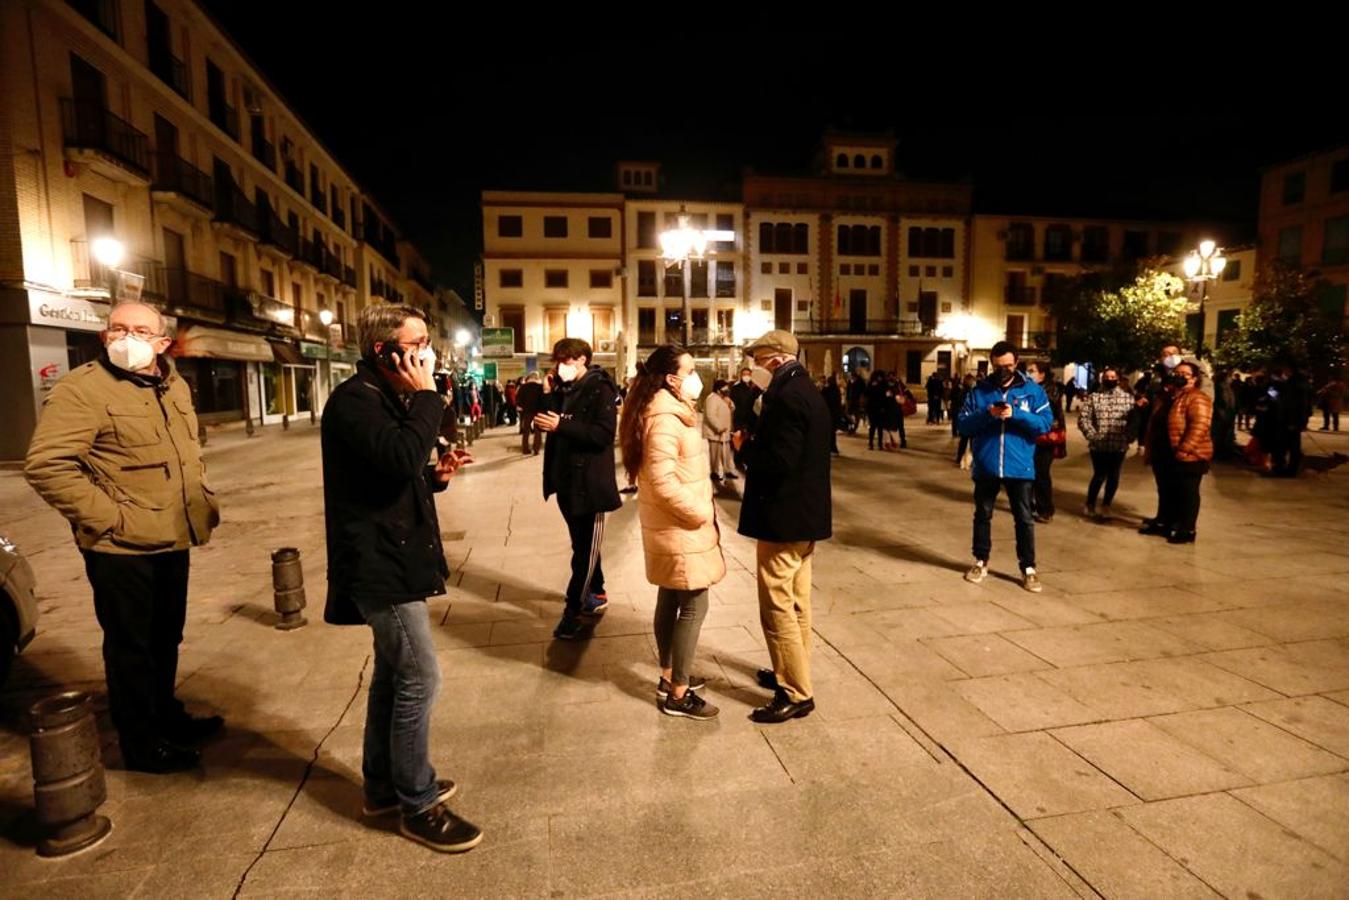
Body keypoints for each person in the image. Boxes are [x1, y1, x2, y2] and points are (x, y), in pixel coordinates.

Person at [25, 301, 222, 774]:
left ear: (162, 343)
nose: (126, 338)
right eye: (117, 329)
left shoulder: (172, 384)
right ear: (103, 337)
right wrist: (112, 518)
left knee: (165, 637)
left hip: (173, 533)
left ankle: (165, 716)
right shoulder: (83, 389)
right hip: (121, 547)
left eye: (140, 330)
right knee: (131, 646)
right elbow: (46, 465)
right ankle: (140, 742)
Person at [319, 303, 481, 852]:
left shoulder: (381, 399)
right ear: (387, 351)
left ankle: (383, 786)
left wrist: (434, 476)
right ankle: (417, 802)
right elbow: (396, 455)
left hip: (392, 552)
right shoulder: (355, 402)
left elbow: (393, 470)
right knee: (420, 676)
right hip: (376, 564)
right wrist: (431, 397)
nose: (426, 353)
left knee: (393, 676)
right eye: (418, 343)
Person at [619, 345, 726, 720]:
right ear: (670, 378)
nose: (696, 377)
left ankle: (669, 675)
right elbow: (663, 481)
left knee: (671, 597)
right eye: (690, 370)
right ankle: (678, 694)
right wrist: (698, 512)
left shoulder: (662, 408)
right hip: (680, 525)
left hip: (670, 526)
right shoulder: (665, 417)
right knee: (695, 603)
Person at [732, 330, 832, 724]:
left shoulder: (786, 397)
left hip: (783, 518)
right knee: (797, 603)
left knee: (777, 607)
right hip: (805, 517)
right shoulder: (808, 391)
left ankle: (795, 692)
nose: (754, 368)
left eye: (757, 360)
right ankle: (793, 671)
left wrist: (746, 449)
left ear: (774, 359)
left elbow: (780, 460)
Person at [533, 338, 622, 640]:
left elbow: (603, 434)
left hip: (590, 487)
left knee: (584, 551)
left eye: (567, 361)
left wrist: (562, 425)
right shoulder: (564, 389)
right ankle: (596, 593)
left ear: (582, 359)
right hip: (566, 483)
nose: (561, 367)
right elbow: (548, 422)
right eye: (558, 361)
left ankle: (573, 612)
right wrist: (547, 394)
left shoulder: (601, 388)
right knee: (581, 546)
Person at [957, 341, 1053, 593]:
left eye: (1008, 365)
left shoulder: (1032, 392)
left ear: (1017, 362)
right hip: (987, 466)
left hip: (1019, 467)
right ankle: (980, 561)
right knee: (982, 515)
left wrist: (1017, 415)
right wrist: (988, 413)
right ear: (991, 363)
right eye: (998, 366)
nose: (1003, 370)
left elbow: (1044, 424)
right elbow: (963, 425)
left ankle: (1028, 568)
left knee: (1023, 518)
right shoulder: (979, 391)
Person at [1139, 361, 1212, 543]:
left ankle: (1187, 530)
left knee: (1188, 493)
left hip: (1190, 455)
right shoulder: (1168, 397)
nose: (1180, 376)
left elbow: (1199, 426)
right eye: (1177, 372)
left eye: (1185, 373)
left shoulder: (1197, 398)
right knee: (1166, 490)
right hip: (1164, 452)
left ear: (1195, 379)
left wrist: (1184, 450)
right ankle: (1164, 522)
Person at [1076, 366, 1135, 519]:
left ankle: (1106, 504)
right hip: (1099, 445)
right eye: (1106, 377)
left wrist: (1129, 436)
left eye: (1112, 377)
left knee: (1114, 476)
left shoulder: (1128, 398)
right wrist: (1092, 435)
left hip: (1119, 444)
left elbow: (1134, 420)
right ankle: (1090, 503)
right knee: (1099, 475)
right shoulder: (1094, 397)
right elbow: (1084, 419)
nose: (1109, 379)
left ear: (1118, 378)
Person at [1027, 360, 1065, 523]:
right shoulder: (1028, 389)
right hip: (1030, 437)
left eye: (1032, 371)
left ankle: (1045, 509)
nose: (1028, 374)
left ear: (1041, 374)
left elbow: (1050, 415)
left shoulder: (1049, 390)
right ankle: (1032, 505)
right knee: (1029, 474)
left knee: (1041, 474)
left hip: (1044, 438)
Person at [1261, 363, 1313, 477]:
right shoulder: (1300, 384)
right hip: (1291, 420)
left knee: (1284, 446)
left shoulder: (1294, 385)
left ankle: (1283, 468)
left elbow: (1291, 404)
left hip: (1288, 421)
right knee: (1292, 446)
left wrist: (1292, 420)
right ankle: (1288, 468)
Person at [702, 378, 734, 483]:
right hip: (715, 432)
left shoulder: (724, 398)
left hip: (725, 431)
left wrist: (729, 403)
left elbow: (732, 408)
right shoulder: (711, 398)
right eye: (724, 387)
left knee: (726, 453)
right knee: (714, 454)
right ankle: (714, 472)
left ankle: (727, 470)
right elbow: (710, 415)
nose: (727, 389)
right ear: (718, 388)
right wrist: (719, 427)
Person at [515, 372, 544, 455]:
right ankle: (536, 449)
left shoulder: (523, 387)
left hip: (526, 411)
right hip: (538, 411)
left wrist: (521, 406)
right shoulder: (540, 387)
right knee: (538, 430)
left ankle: (525, 449)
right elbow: (543, 399)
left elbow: (518, 398)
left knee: (526, 430)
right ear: (537, 378)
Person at [951, 374, 976, 466]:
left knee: (965, 440)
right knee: (970, 440)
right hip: (969, 418)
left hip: (967, 418)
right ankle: (970, 458)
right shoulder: (968, 392)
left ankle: (961, 457)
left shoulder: (963, 391)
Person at [822, 373, 844, 455]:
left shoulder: (827, 390)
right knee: (832, 433)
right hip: (835, 413)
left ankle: (830, 448)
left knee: (829, 432)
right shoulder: (836, 390)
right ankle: (833, 448)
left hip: (829, 413)